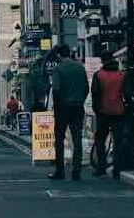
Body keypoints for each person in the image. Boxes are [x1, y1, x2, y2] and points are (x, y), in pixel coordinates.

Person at [47, 44, 88, 181]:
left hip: (63, 108)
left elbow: (57, 90)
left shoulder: (58, 69)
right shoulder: (80, 68)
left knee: (59, 139)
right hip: (77, 106)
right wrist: (80, 100)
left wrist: (56, 107)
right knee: (77, 139)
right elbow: (86, 88)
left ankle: (60, 171)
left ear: (59, 55)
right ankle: (76, 171)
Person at [90, 54, 126, 177]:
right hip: (119, 111)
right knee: (118, 141)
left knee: (100, 140)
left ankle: (101, 167)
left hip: (103, 112)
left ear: (103, 61)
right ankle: (117, 169)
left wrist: (96, 109)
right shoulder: (122, 75)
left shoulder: (98, 75)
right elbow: (127, 93)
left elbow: (95, 94)